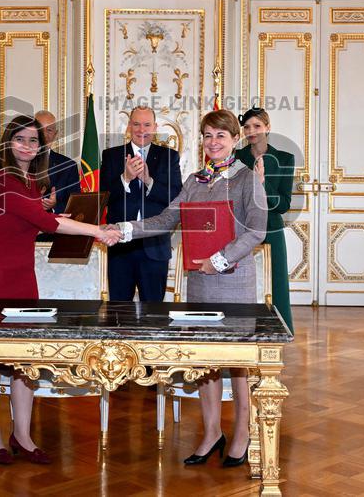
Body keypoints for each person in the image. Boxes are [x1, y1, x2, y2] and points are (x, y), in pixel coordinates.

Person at [0, 115, 120, 465]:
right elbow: (47, 222)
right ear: (8, 143)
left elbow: (38, 219)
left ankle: (22, 436)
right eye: (20, 139)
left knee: (24, 361)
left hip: (21, 278)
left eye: (33, 141)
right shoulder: (1, 179)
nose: (27, 146)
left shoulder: (32, 181)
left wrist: (62, 216)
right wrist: (98, 231)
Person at [112, 109, 267, 467]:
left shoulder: (247, 179)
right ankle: (211, 433)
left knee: (238, 364)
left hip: (233, 282)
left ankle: (242, 433)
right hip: (199, 282)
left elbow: (256, 230)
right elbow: (167, 218)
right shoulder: (196, 180)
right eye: (208, 136)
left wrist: (220, 260)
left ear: (235, 140)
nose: (213, 142)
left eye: (221, 136)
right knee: (204, 361)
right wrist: (123, 230)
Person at [100, 106, 182, 301]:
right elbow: (103, 197)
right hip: (120, 247)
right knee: (119, 312)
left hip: (155, 247)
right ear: (129, 126)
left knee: (154, 313)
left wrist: (148, 180)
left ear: (155, 127)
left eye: (147, 125)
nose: (141, 130)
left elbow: (175, 197)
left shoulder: (169, 156)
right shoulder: (111, 155)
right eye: (136, 124)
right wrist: (125, 178)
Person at [236, 107, 297, 332]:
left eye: (257, 126)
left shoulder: (285, 159)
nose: (252, 131)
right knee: (241, 281)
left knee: (276, 283)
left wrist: (261, 183)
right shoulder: (236, 157)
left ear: (268, 127)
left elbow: (283, 204)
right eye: (247, 127)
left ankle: (278, 330)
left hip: (271, 229)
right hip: (240, 229)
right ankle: (241, 329)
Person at [33, 110, 81, 241]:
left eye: (49, 130)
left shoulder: (68, 166)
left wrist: (54, 206)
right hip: (21, 235)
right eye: (40, 129)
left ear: (55, 134)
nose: (44, 134)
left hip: (54, 238)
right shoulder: (19, 162)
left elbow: (75, 206)